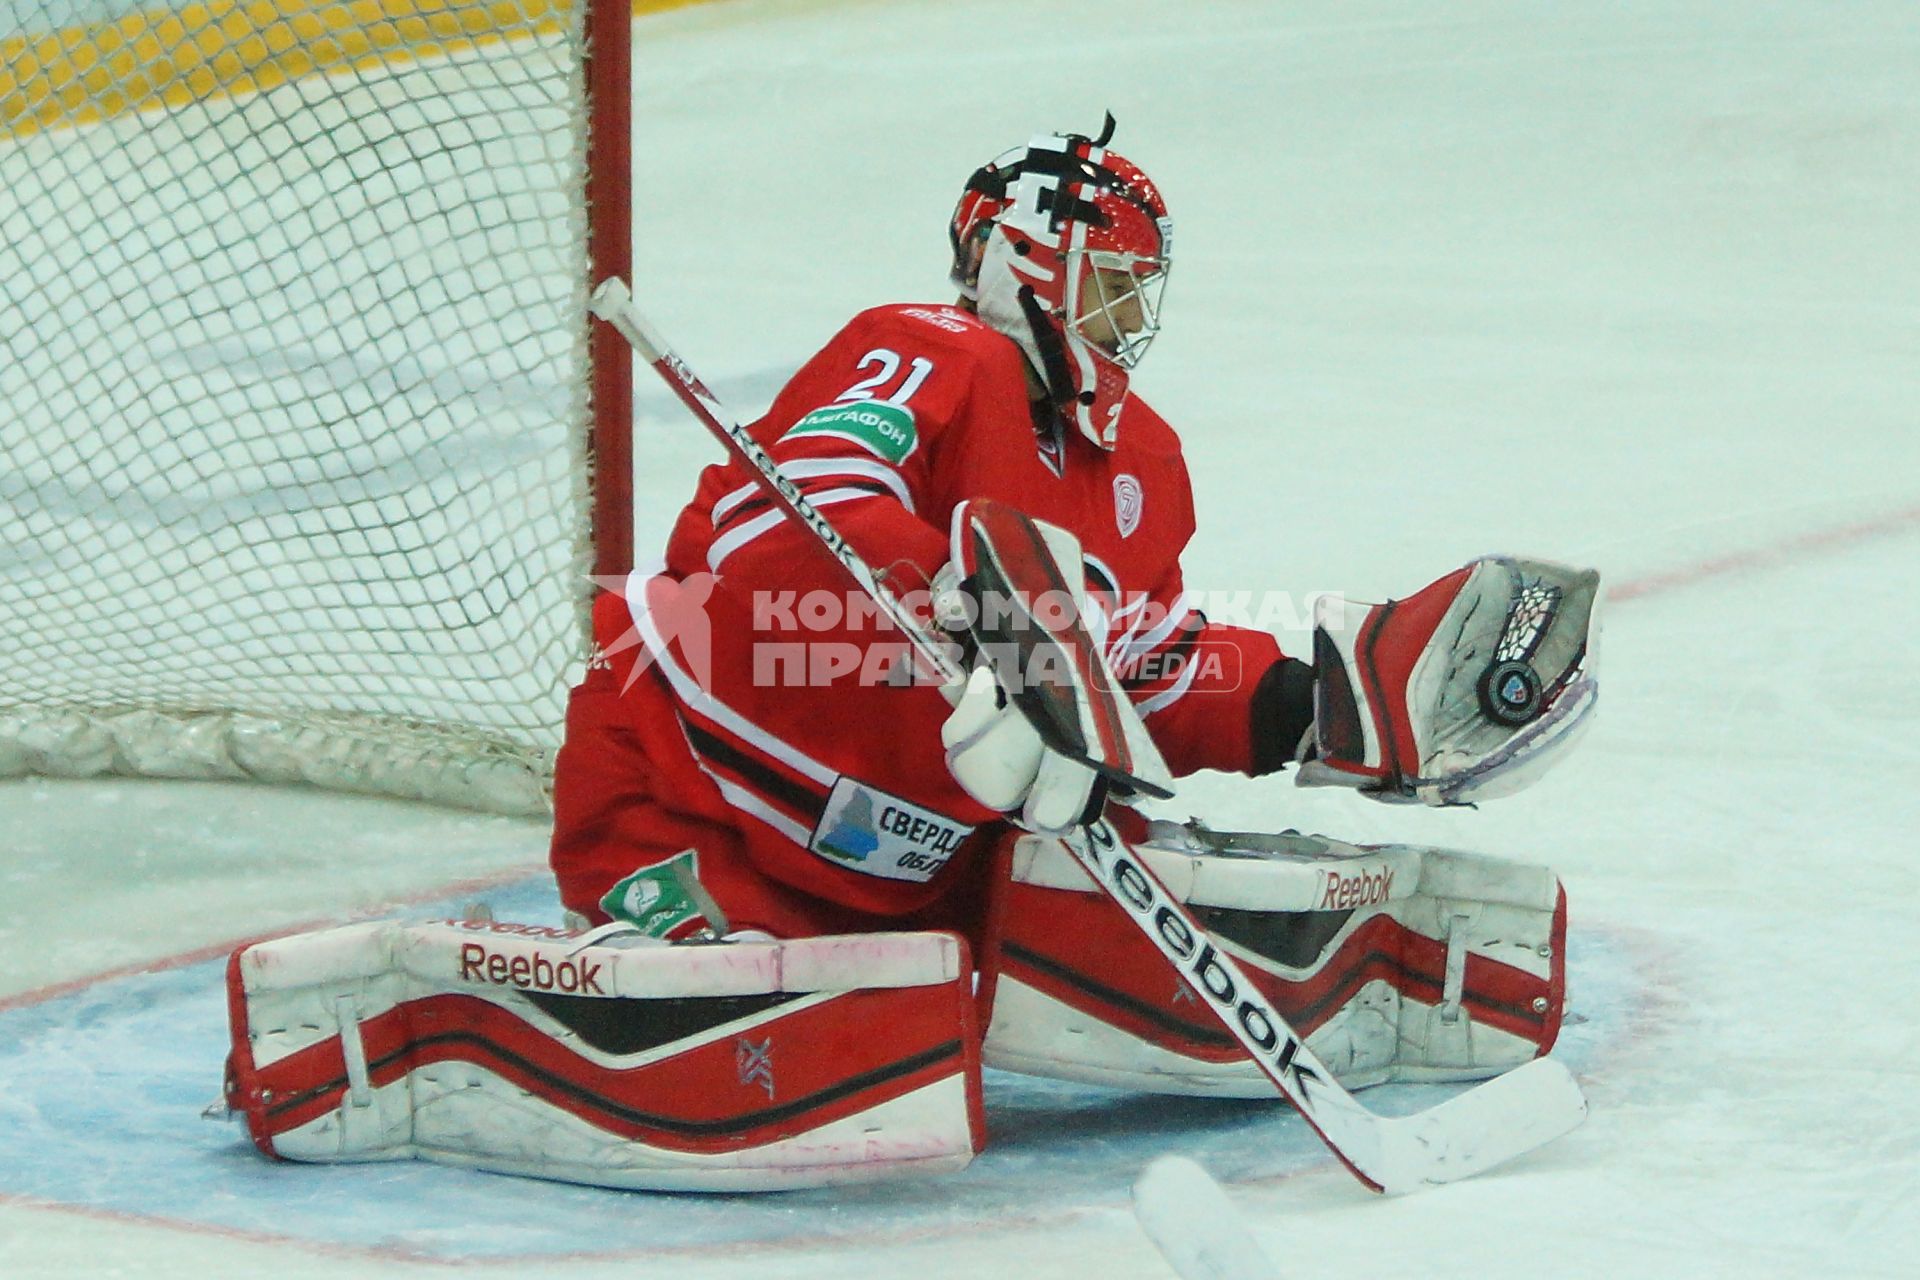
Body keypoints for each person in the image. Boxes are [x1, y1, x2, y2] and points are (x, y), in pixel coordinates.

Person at [549, 119, 1319, 946]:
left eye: (1138, 288)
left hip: (911, 865)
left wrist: (1300, 705)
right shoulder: (930, 350)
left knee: (971, 991)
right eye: (1113, 284)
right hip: (694, 795)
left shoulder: (1139, 459)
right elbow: (792, 510)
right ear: (1031, 267)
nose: (1130, 313)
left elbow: (1142, 662)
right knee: (780, 1031)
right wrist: (976, 620)